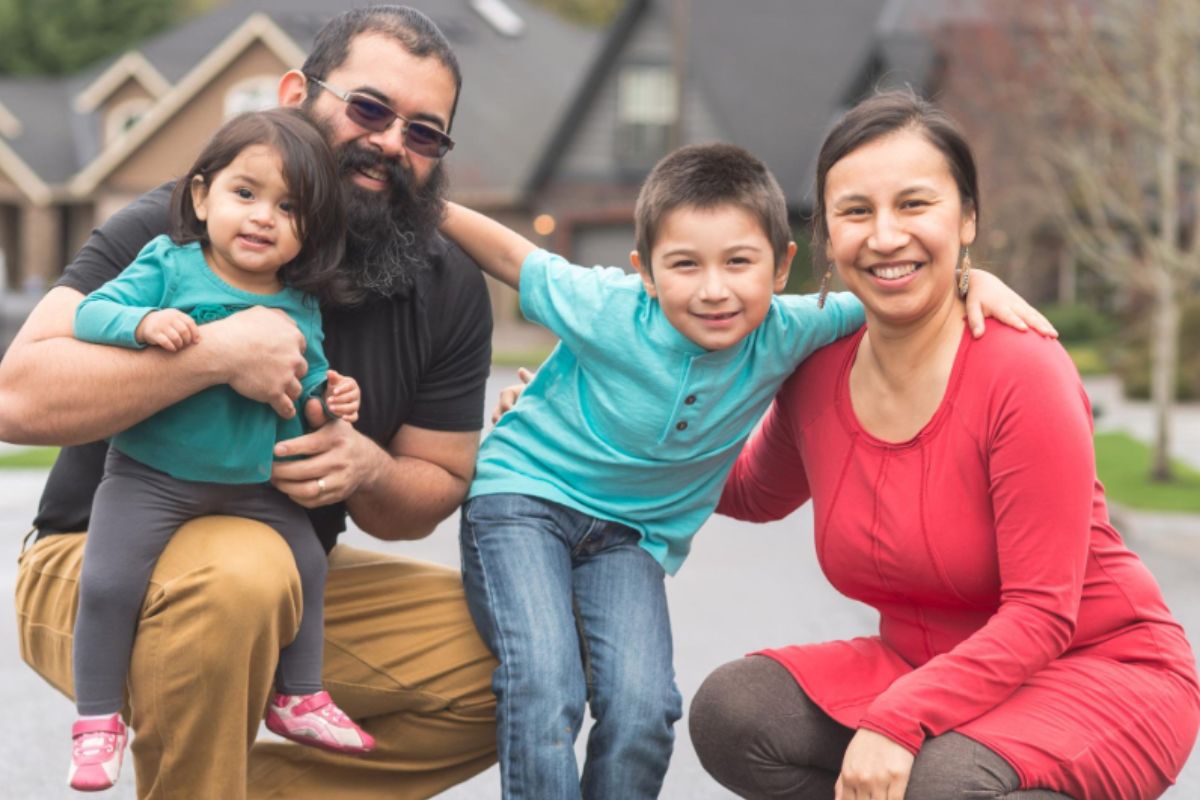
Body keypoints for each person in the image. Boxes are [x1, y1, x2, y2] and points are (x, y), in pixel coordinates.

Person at [438, 141, 1050, 799]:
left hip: (632, 539)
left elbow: (891, 299)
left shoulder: (790, 329)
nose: (714, 289)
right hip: (525, 502)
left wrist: (969, 277)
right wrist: (424, 203)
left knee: (644, 709)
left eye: (739, 262)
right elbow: (512, 256)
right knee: (545, 681)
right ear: (645, 272)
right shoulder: (609, 306)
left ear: (782, 266)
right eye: (684, 265)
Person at [0, 7, 497, 799]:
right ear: (297, 92)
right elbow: (15, 397)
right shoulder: (178, 226)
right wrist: (215, 356)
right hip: (98, 560)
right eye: (368, 109)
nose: (392, 143)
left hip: (288, 579)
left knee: (524, 651)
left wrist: (365, 466)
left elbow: (425, 494)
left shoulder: (444, 285)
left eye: (424, 133)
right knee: (246, 573)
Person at [687, 90, 1200, 800]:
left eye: (915, 205)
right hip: (923, 666)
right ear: (828, 237)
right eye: (857, 212)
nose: (886, 236)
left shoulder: (1022, 371)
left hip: (1098, 667)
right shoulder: (818, 367)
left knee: (942, 782)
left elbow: (1043, 613)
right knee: (734, 712)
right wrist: (601, 430)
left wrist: (898, 723)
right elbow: (749, 490)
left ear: (967, 220)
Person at [67, 108, 374, 792]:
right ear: (202, 196)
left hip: (250, 486)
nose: (264, 216)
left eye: (289, 207)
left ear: (309, 232)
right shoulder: (169, 265)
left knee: (308, 567)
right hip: (151, 476)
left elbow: (305, 392)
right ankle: (96, 724)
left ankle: (299, 696)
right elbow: (89, 314)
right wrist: (143, 321)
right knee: (109, 582)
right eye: (246, 193)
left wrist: (334, 399)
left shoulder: (299, 302)